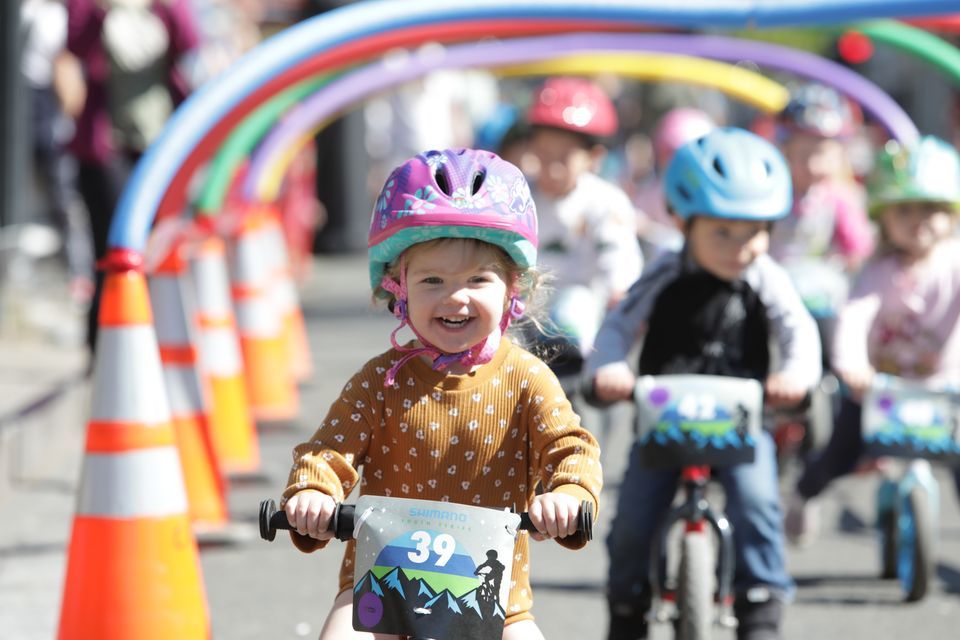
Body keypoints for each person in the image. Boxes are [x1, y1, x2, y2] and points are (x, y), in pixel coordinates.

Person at [280, 148, 603, 640]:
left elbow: (570, 445)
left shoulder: (526, 378)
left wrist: (567, 494)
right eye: (432, 280)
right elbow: (329, 450)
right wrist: (313, 494)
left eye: (478, 279)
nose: (456, 297)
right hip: (382, 587)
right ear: (399, 287)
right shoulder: (381, 380)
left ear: (512, 287)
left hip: (492, 597)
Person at [585, 127, 822, 640]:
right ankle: (626, 607)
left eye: (755, 231)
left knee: (758, 503)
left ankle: (760, 606)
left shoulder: (765, 275)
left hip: (741, 416)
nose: (742, 248)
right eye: (723, 233)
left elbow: (796, 327)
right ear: (682, 221)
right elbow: (620, 323)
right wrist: (608, 368)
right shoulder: (664, 270)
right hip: (663, 417)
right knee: (632, 521)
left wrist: (796, 377)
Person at [785, 136, 960, 546]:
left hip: (943, 387)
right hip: (879, 387)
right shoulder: (879, 270)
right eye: (905, 210)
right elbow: (855, 315)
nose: (919, 221)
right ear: (884, 217)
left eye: (931, 210)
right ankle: (802, 494)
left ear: (950, 215)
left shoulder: (953, 263)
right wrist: (851, 364)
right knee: (840, 454)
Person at [65, 0, 199, 355]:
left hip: (158, 141)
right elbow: (74, 43)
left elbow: (190, 41)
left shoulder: (162, 8)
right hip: (106, 145)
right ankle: (104, 350)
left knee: (155, 247)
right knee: (112, 249)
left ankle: (152, 344)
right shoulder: (92, 8)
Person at [523, 76, 643, 392]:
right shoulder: (522, 196)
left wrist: (620, 290)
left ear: (594, 157)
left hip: (584, 314)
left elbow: (617, 256)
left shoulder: (604, 202)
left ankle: (571, 368)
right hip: (525, 306)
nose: (551, 169)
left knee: (574, 307)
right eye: (543, 155)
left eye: (563, 157)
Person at [769, 83, 874, 364]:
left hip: (821, 296)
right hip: (776, 289)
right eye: (804, 156)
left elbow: (859, 247)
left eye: (823, 155)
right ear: (785, 152)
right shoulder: (772, 196)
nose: (814, 166)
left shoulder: (838, 200)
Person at [21, 0, 95, 304]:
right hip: (29, 103)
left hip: (54, 109)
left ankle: (78, 271)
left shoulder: (63, 15)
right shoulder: (34, 11)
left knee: (65, 197)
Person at [631, 107, 716, 259]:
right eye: (667, 154)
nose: (671, 165)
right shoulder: (655, 189)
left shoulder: (710, 200)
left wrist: (649, 229)